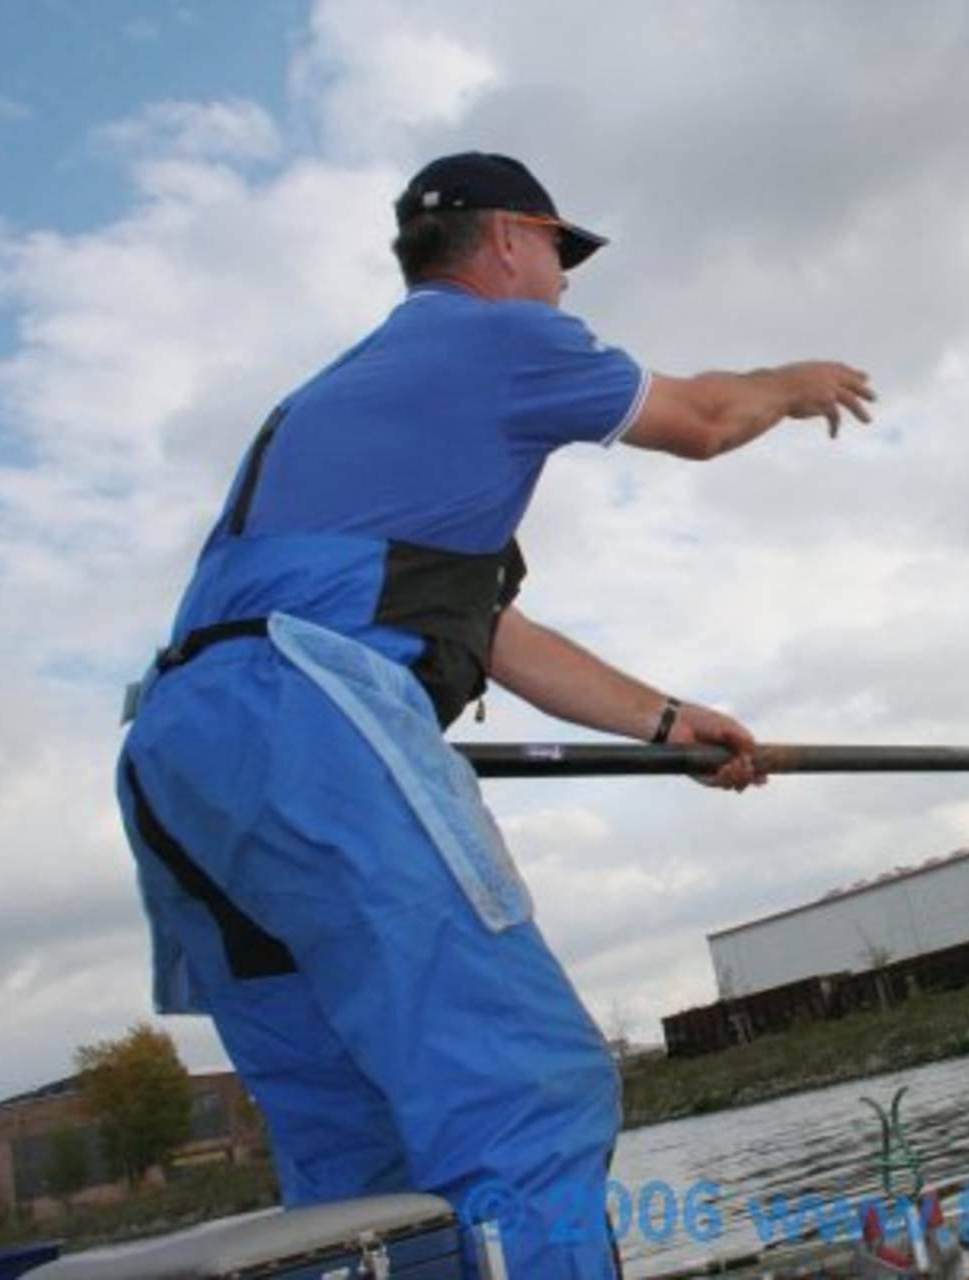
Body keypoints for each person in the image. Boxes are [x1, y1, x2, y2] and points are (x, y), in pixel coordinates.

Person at [116, 151, 875, 1279]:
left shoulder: (365, 408)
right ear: (513, 237)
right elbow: (706, 420)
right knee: (526, 1087)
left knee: (357, 1144)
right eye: (562, 255)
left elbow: (502, 639)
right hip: (306, 713)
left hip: (178, 756)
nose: (568, 285)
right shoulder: (496, 337)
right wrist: (792, 377)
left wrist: (674, 725)